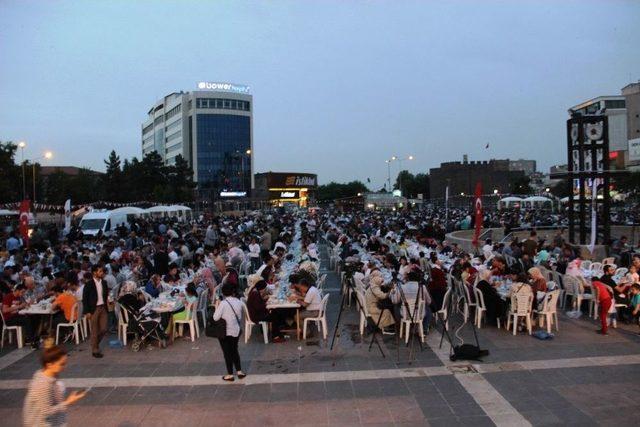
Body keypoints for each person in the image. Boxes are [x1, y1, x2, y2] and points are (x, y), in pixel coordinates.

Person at [23, 344, 86, 426]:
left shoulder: (49, 377)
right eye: (62, 364)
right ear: (49, 365)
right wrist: (68, 402)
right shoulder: (43, 384)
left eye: (65, 363)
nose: (65, 367)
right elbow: (46, 411)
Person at [213, 283, 245, 381]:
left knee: (227, 353)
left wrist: (216, 306)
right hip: (235, 330)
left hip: (224, 332)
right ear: (233, 292)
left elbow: (215, 317)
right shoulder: (239, 302)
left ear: (223, 293)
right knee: (234, 350)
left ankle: (230, 374)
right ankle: (239, 371)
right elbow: (239, 317)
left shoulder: (223, 303)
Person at [82, 265, 109, 358]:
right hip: (94, 309)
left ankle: (95, 343)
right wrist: (87, 311)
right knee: (94, 330)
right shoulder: (89, 284)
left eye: (102, 271)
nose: (102, 273)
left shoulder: (104, 283)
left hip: (103, 307)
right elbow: (84, 299)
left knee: (104, 329)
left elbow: (105, 295)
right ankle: (95, 349)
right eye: (100, 271)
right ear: (94, 272)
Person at [1, 284, 39, 348]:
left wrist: (27, 304)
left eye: (24, 292)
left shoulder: (20, 297)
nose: (23, 293)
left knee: (34, 317)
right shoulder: (8, 296)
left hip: (17, 316)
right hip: (9, 319)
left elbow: (25, 304)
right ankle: (31, 340)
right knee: (27, 320)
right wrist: (19, 306)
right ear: (17, 290)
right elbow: (4, 310)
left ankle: (30, 337)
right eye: (22, 292)